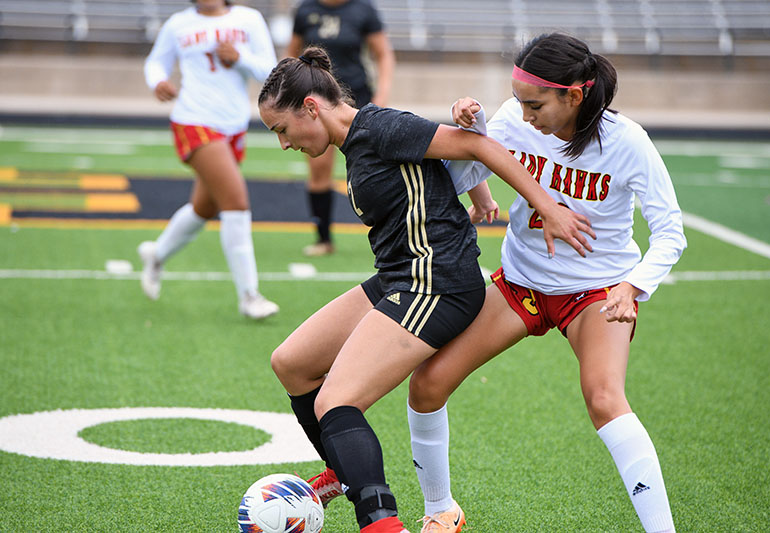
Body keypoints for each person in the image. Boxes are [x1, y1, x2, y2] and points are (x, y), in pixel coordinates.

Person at [258, 46, 594, 533]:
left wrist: (550, 207)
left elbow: (477, 144)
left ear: (311, 107)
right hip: (400, 276)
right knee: (292, 363)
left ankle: (381, 523)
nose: (284, 144)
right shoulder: (357, 141)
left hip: (437, 282)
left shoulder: (380, 127)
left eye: (282, 130)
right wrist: (478, 195)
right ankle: (343, 470)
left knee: (337, 402)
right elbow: (441, 161)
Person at [138, 0, 279, 319]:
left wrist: (239, 57)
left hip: (233, 124)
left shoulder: (249, 19)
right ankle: (249, 296)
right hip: (193, 119)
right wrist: (157, 82)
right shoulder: (178, 24)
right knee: (235, 200)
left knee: (205, 207)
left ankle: (156, 254)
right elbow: (155, 63)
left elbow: (270, 71)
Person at [287, 0, 395, 256]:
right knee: (319, 167)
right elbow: (290, 55)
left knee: (373, 169)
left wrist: (382, 93)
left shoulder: (363, 9)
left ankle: (390, 235)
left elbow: (383, 53)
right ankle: (323, 239)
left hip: (356, 98)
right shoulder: (305, 9)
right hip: (314, 102)